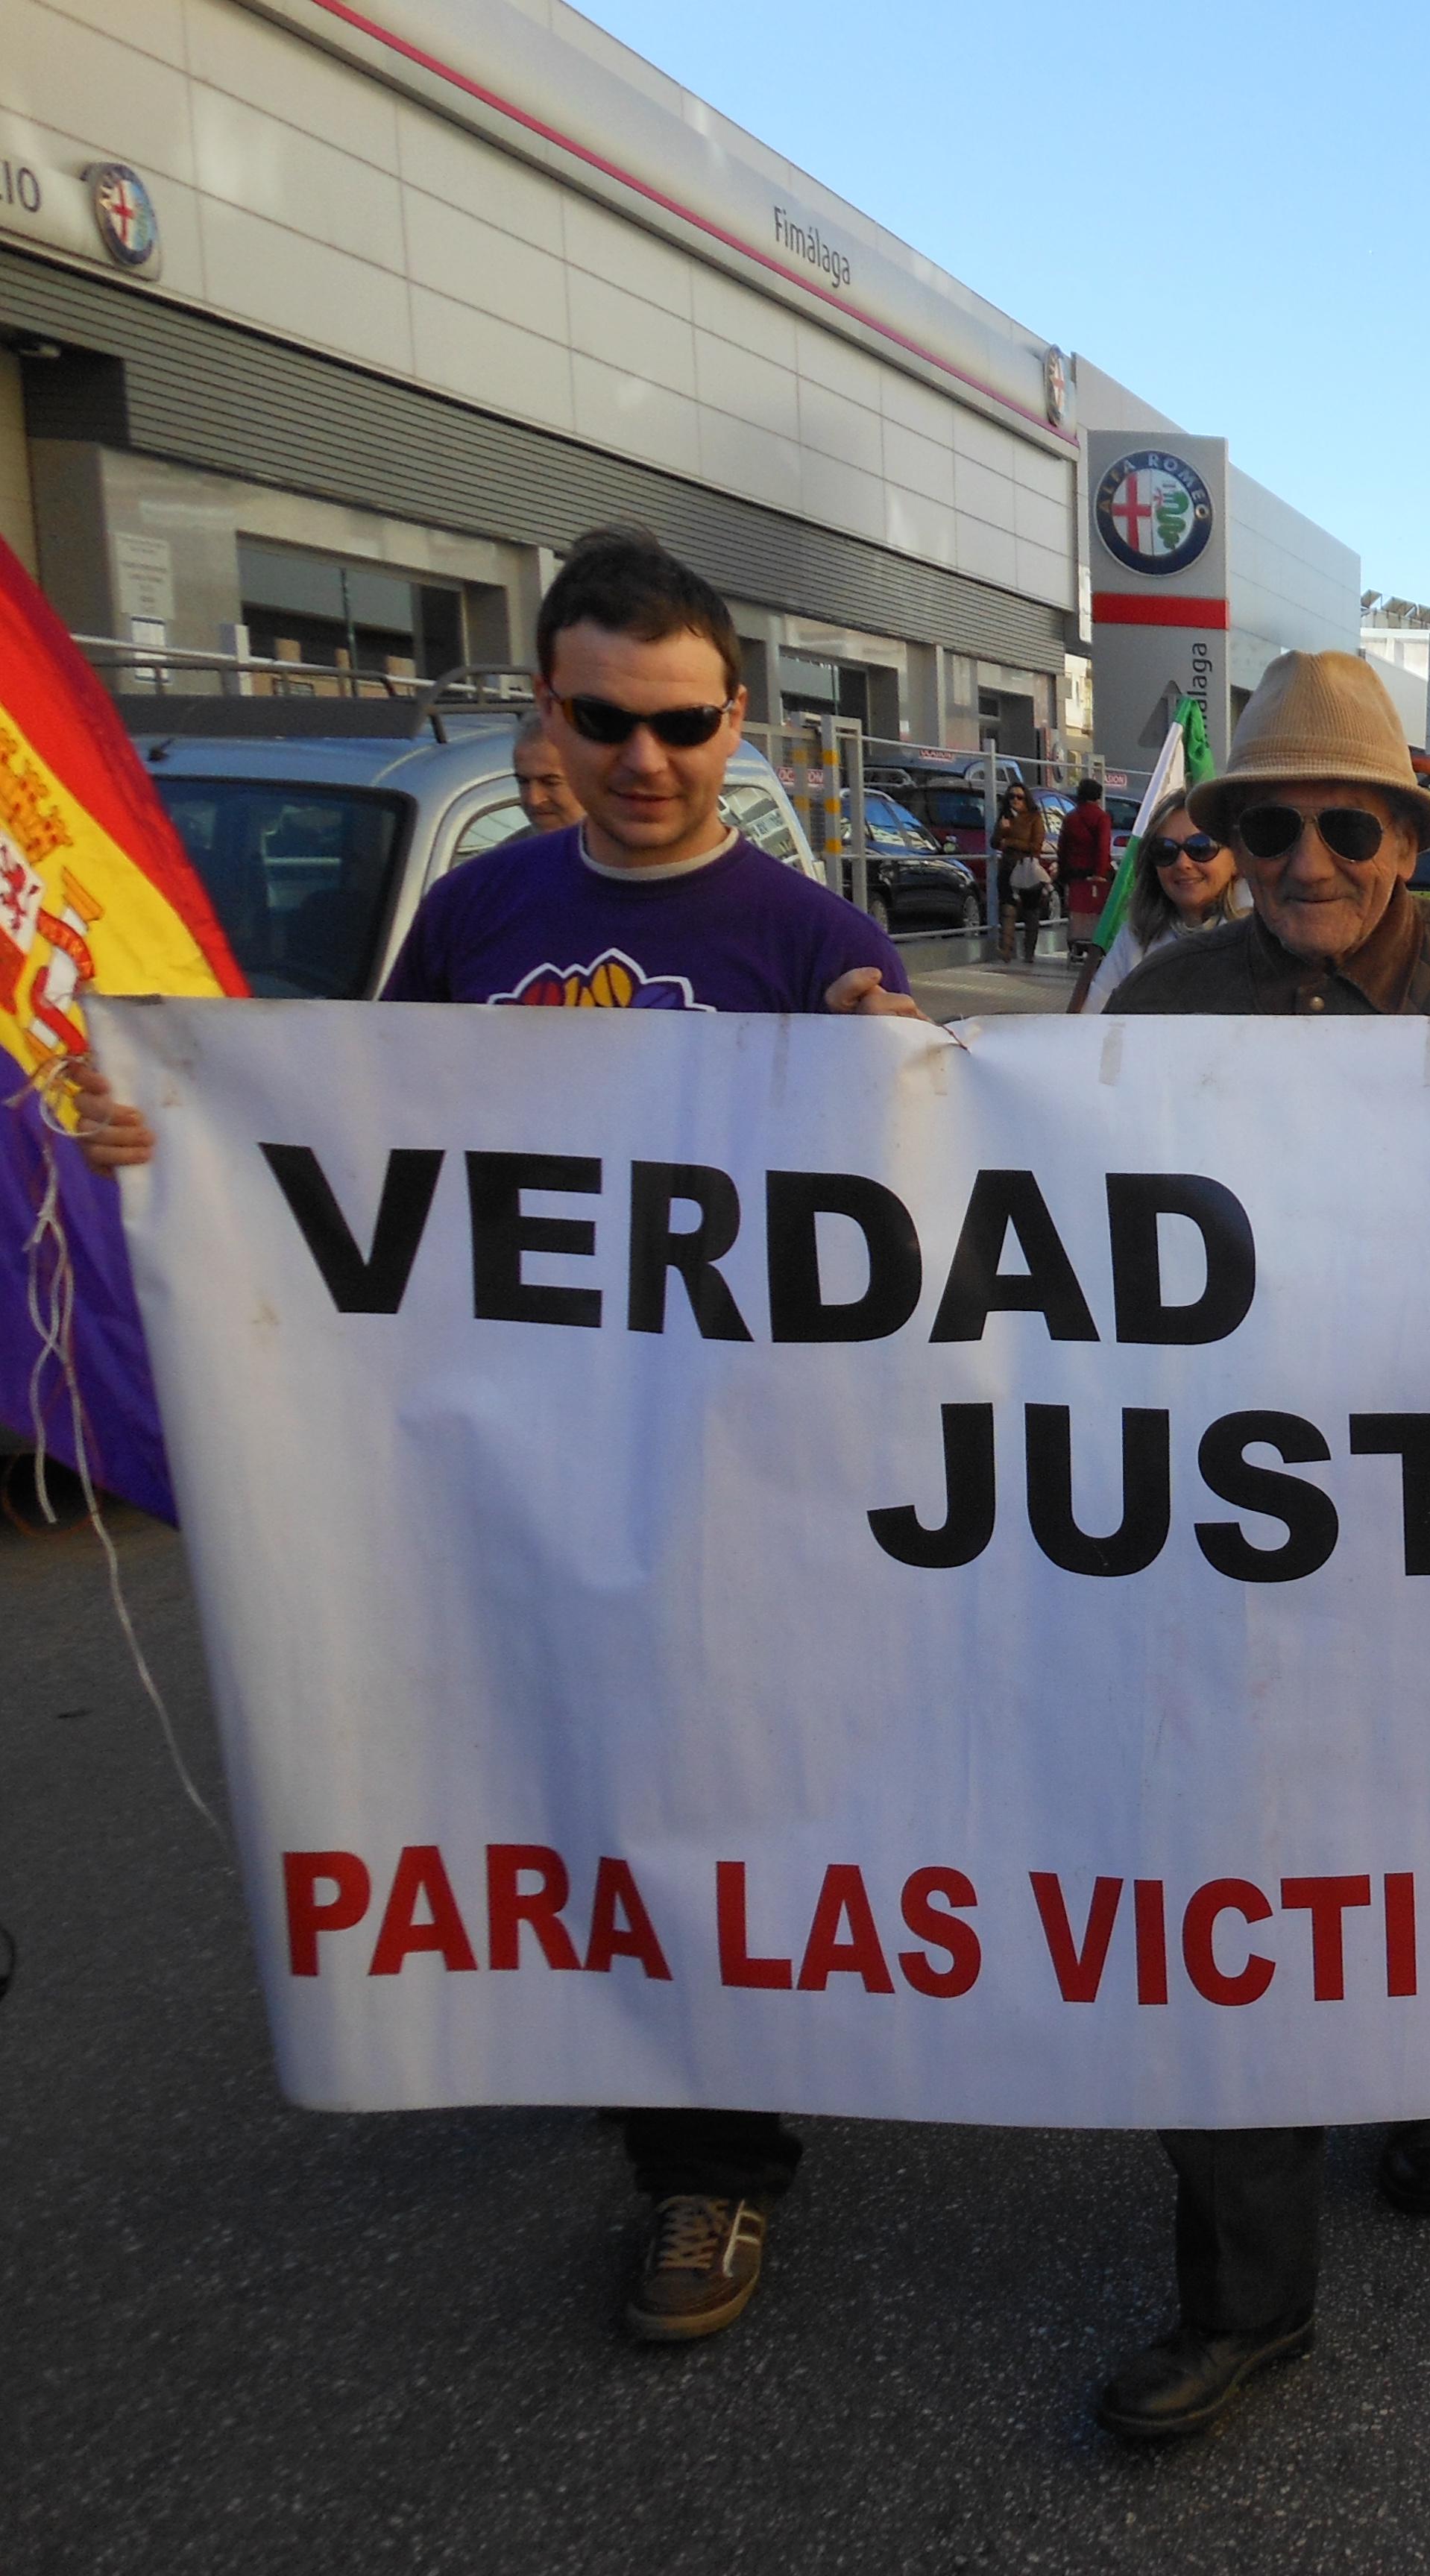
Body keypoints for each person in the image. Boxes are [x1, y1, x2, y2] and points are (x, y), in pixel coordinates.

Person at [72, 525, 922, 2346]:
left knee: (713, 1779)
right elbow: (350, 1147)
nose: (645, 760)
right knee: (565, 1756)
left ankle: (717, 2164)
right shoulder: (478, 917)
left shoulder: (809, 938)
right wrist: (174, 1139)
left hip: (730, 1474)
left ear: (735, 717)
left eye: (683, 724)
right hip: (517, 1456)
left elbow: (909, 1212)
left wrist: (897, 1061)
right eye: (606, 720)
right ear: (550, 707)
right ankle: (642, 2051)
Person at [1097, 648, 1430, 2441]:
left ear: (1401, 834)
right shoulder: (1158, 1008)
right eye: (1271, 823)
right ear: (1224, 836)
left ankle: (1429, 2059)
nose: (1307, 856)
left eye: (1345, 823)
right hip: (1231, 1541)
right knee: (1228, 1879)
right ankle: (1243, 2302)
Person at [1118, 787, 1250, 973]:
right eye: (1165, 850)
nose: (1182, 864)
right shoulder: (1135, 937)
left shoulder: (1265, 935)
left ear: (1236, 858)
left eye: (1201, 847)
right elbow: (1102, 1000)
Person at [1055, 772, 1118, 950]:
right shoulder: (1101, 817)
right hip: (1095, 870)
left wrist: (1063, 871)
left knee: (1077, 907)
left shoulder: (1070, 817)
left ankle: (1076, 941)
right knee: (1099, 907)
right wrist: (1100, 873)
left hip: (1074, 871)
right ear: (1098, 796)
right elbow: (1103, 847)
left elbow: (1063, 847)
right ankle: (1097, 941)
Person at [995, 778, 1051, 962]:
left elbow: (1036, 845)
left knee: (1031, 911)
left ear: (1026, 799)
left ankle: (1029, 953)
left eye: (1019, 797)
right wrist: (1002, 832)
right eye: (1011, 797)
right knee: (1007, 908)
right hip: (1008, 867)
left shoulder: (1034, 818)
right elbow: (994, 843)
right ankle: (1006, 951)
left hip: (1028, 868)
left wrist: (1009, 841)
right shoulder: (1005, 817)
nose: (1015, 800)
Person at [511, 722, 585, 833]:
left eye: (550, 783)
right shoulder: (513, 849)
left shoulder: (618, 848)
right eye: (523, 782)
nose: (534, 800)